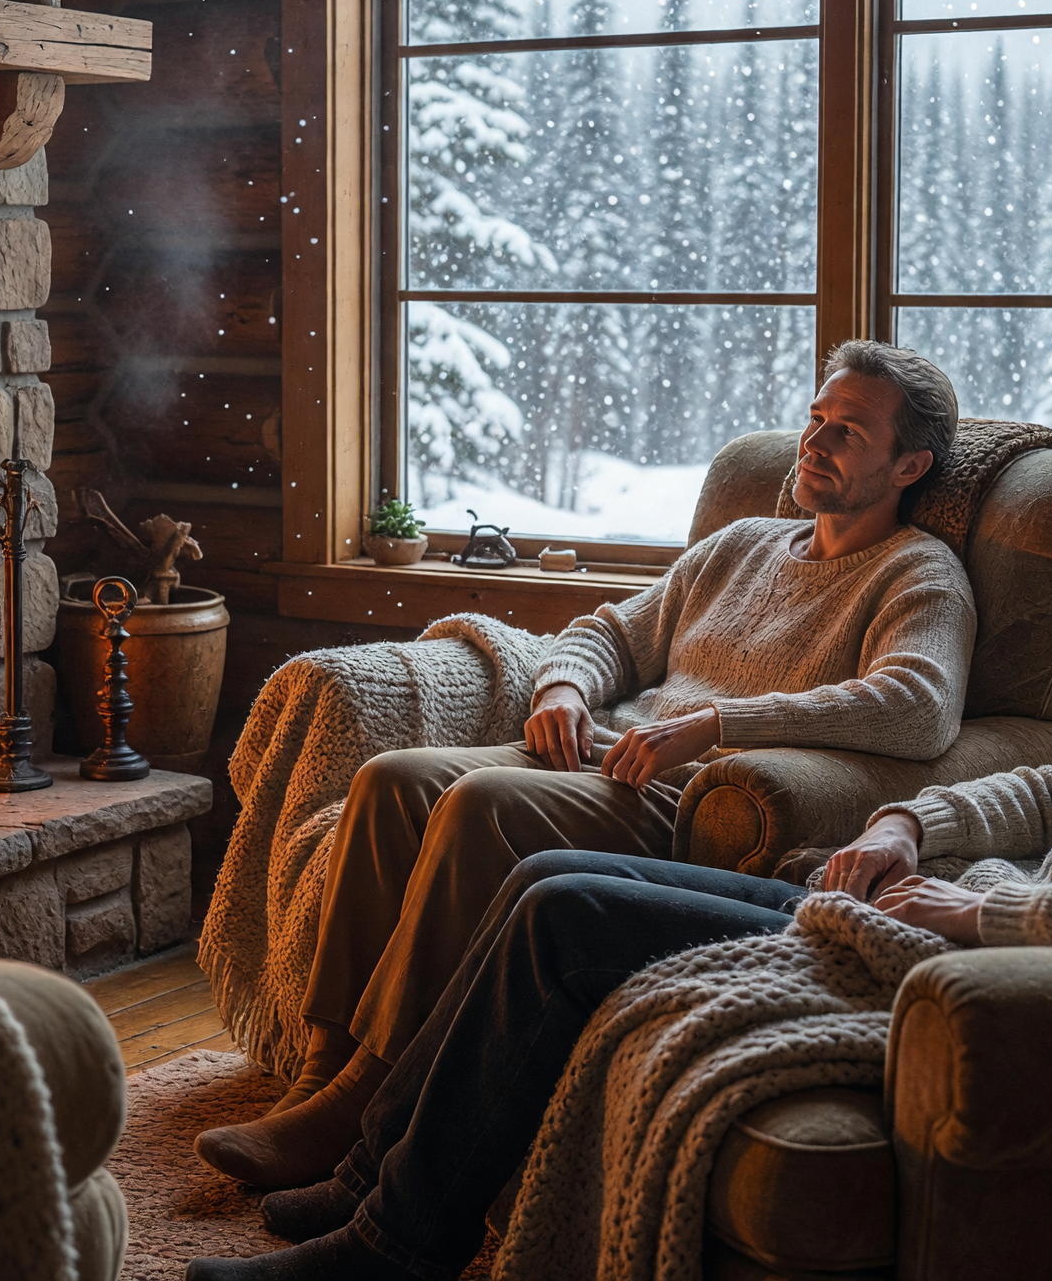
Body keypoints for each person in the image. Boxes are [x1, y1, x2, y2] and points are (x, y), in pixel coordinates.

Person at [183, 474, 1052, 1280]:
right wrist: (912, 835)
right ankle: (371, 1184)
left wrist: (987, 910)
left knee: (569, 901)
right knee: (549, 891)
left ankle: (392, 1248)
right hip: (926, 911)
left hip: (978, 968)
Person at [200, 340, 979, 1188]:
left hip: (682, 793)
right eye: (815, 419)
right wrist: (564, 689)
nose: (815, 443)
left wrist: (716, 724)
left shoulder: (920, 575)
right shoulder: (743, 544)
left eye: (848, 432)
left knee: (481, 804)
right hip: (595, 750)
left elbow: (918, 706)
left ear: (910, 463)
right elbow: (609, 631)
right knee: (390, 780)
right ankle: (323, 1075)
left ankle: (371, 1106)